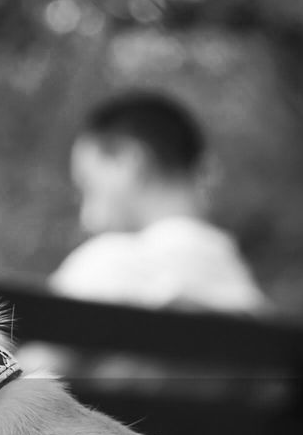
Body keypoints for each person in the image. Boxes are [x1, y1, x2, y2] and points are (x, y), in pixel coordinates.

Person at [49, 90, 267, 313]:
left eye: (89, 187)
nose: (87, 219)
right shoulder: (247, 295)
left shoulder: (111, 266)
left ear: (129, 161)